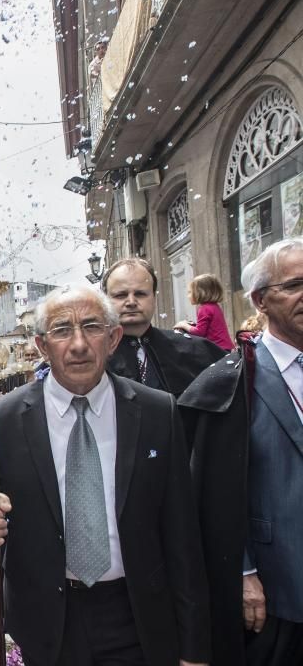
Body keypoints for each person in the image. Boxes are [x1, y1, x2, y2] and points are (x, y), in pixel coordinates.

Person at [0, 286, 210, 666]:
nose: (78, 344)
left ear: (112, 339)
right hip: (48, 620)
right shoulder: (3, 418)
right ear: (43, 347)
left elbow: (182, 534)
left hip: (137, 614)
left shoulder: (156, 411)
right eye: (62, 330)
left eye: (91, 327)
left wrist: (194, 648)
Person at [178, 237, 303, 666]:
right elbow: (212, 489)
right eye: (295, 284)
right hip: (278, 591)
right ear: (260, 300)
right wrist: (243, 572)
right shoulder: (234, 379)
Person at [103, 257, 225, 399]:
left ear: (154, 297)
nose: (131, 302)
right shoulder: (94, 359)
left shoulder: (197, 351)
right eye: (121, 295)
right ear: (106, 300)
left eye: (140, 294)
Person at [174, 273, 235, 351]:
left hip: (216, 348)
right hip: (223, 347)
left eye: (190, 292)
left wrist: (183, 325)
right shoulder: (214, 306)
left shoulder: (204, 309)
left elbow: (199, 333)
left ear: (200, 292)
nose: (188, 296)